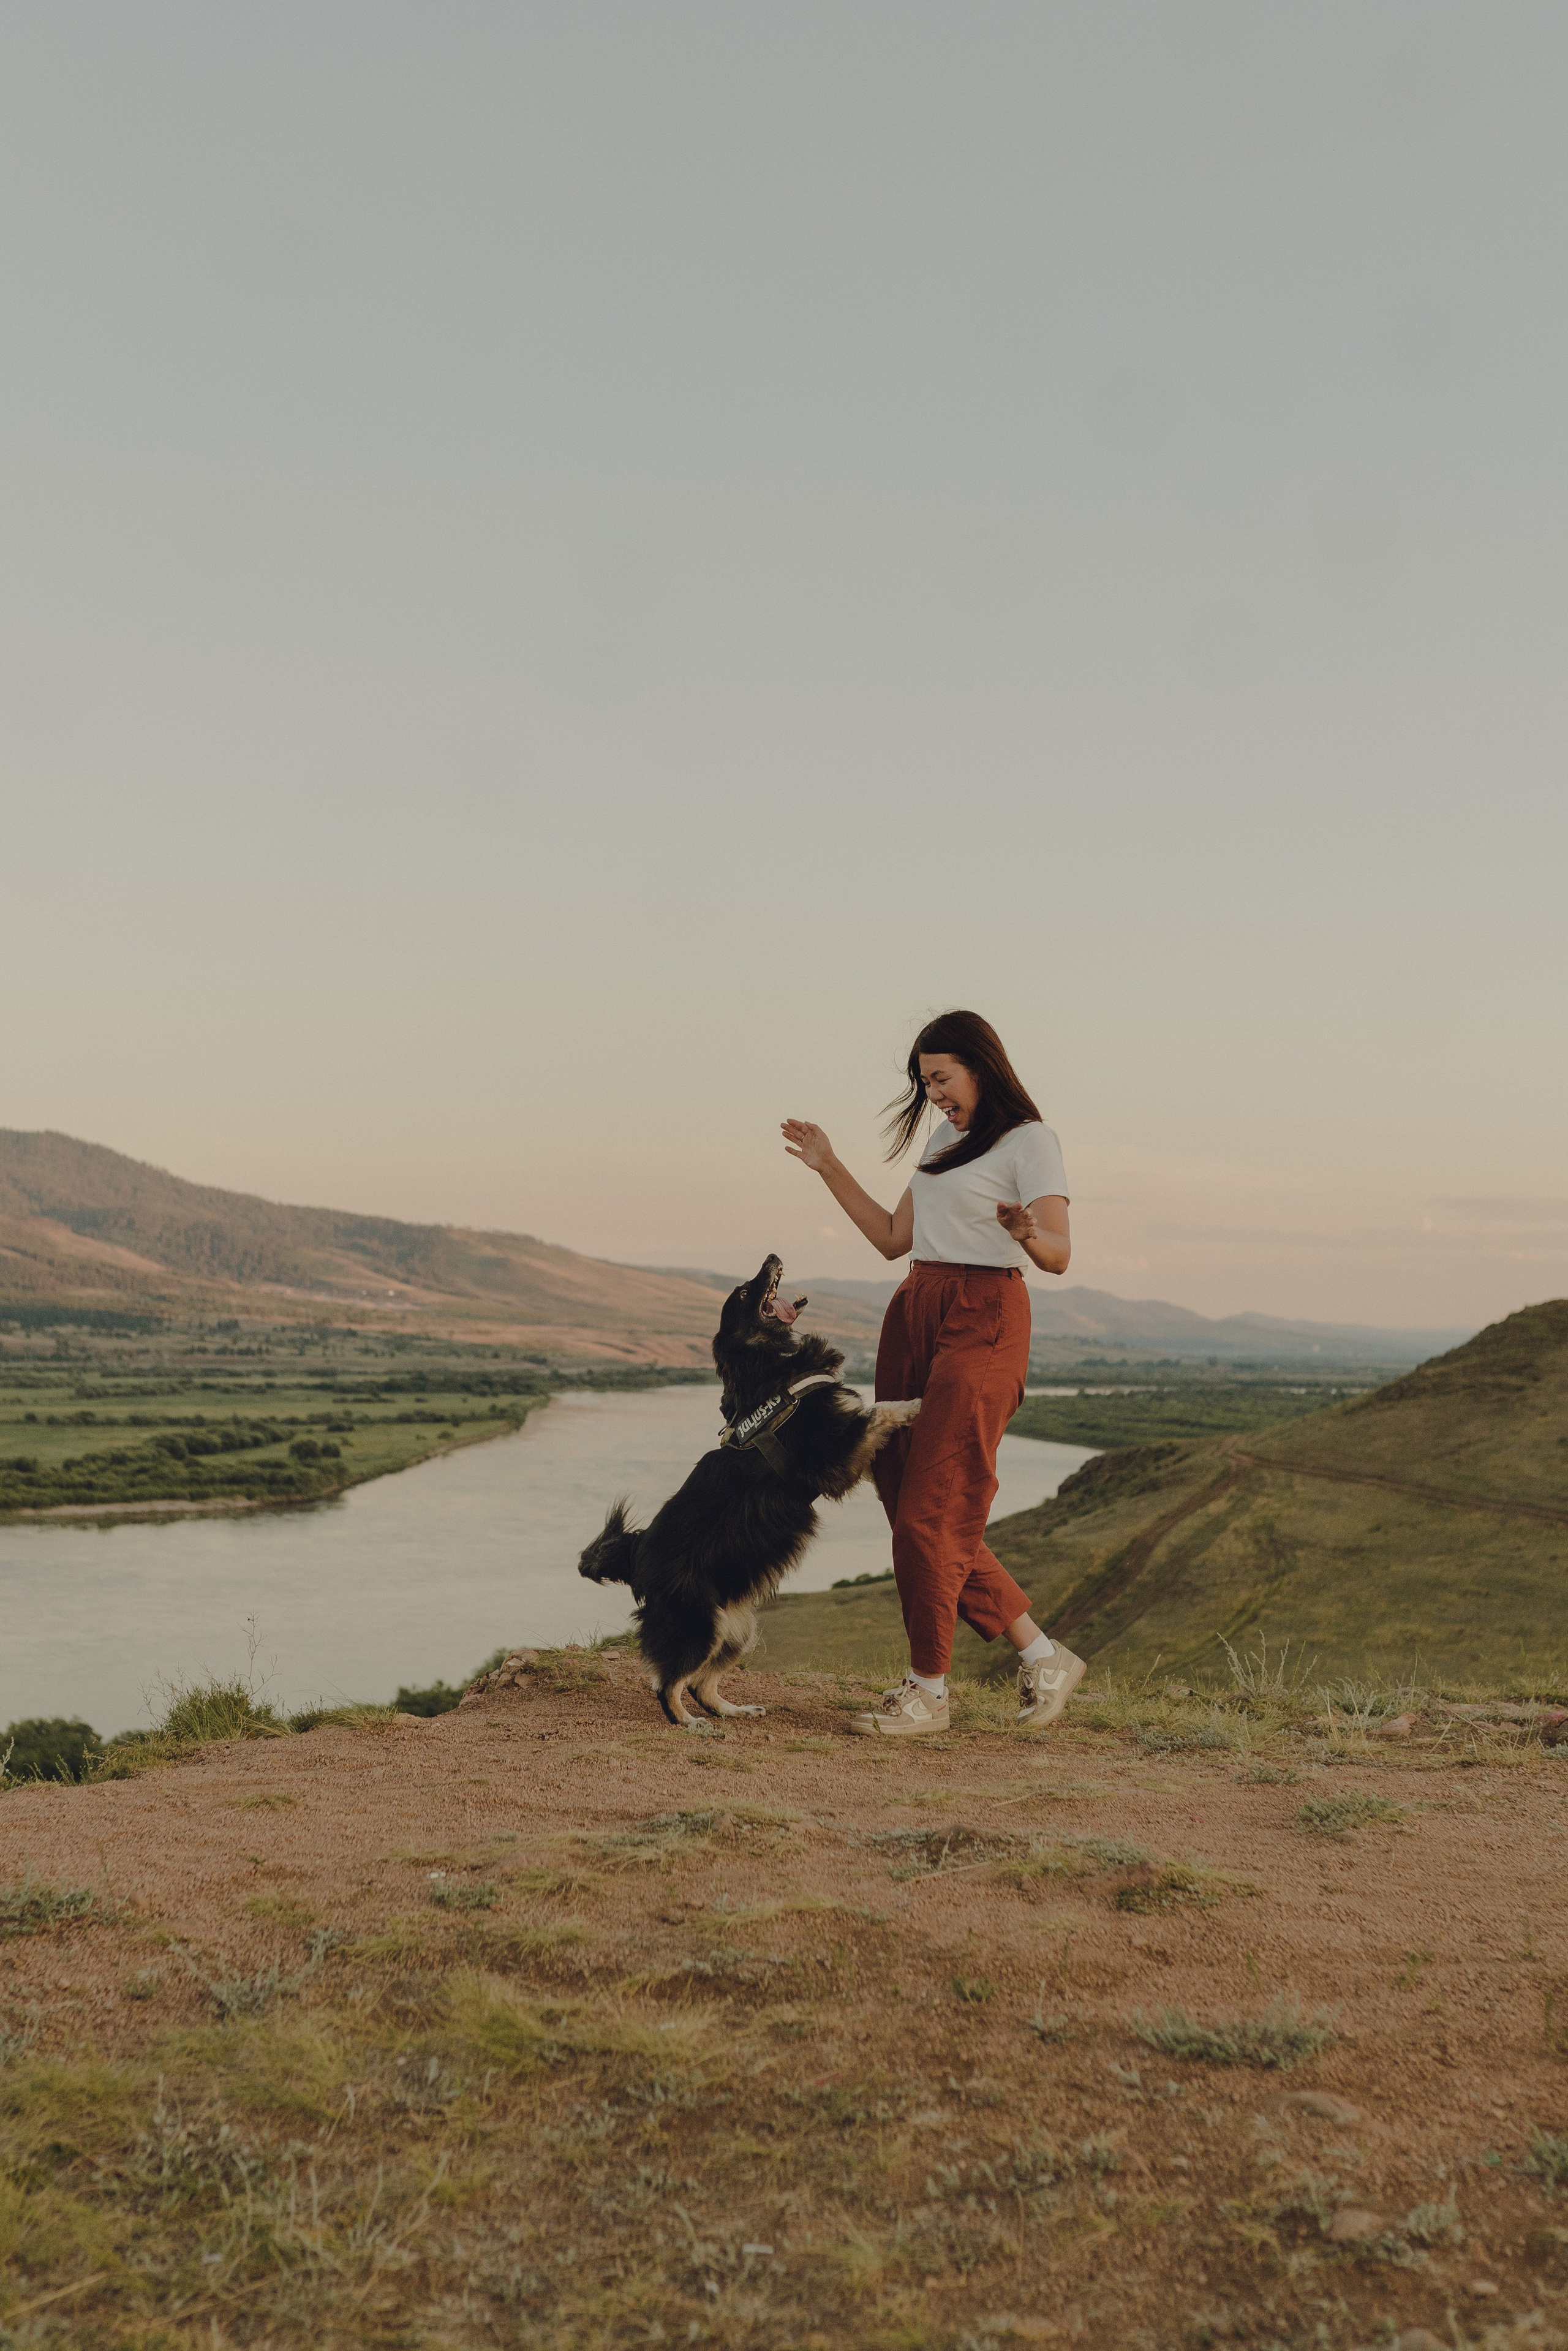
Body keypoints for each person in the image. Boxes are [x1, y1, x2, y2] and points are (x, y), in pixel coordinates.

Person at [782, 1009, 1085, 1738]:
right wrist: (828, 1165)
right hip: (916, 1308)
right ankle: (1043, 1656)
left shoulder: (1030, 1141)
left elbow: (1060, 1254)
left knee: (932, 1509)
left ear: (981, 1065)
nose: (934, 1094)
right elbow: (892, 1238)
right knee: (909, 1497)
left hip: (985, 1314)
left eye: (941, 1078)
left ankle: (928, 1690)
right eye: (925, 1082)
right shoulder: (944, 1138)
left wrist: (1025, 1232)